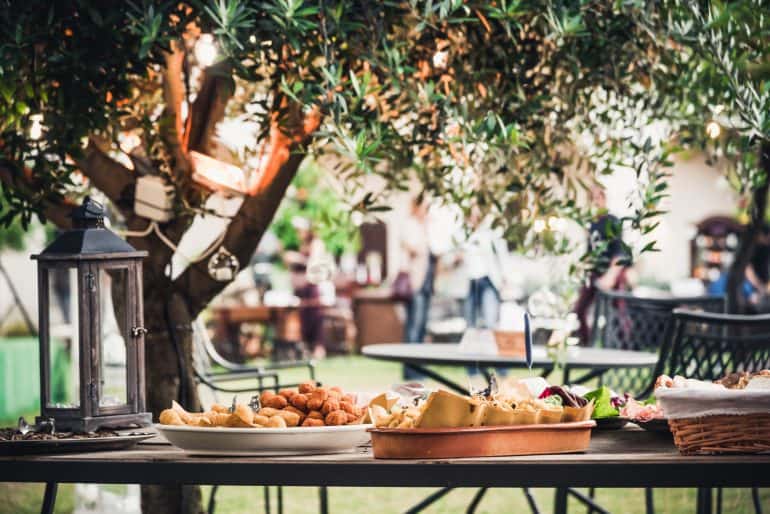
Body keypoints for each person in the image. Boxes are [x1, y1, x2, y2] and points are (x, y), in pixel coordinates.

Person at [573, 187, 632, 345]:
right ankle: (587, 345)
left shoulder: (613, 221)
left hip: (611, 272)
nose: (595, 201)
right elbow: (590, 253)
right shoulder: (590, 224)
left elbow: (619, 252)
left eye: (597, 197)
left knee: (619, 312)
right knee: (580, 309)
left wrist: (610, 276)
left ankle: (627, 347)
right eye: (591, 198)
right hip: (594, 273)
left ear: (604, 199)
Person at [398, 195, 437, 379]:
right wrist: (425, 231)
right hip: (415, 283)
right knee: (413, 327)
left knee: (421, 328)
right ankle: (411, 370)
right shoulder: (410, 225)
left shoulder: (426, 226)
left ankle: (420, 369)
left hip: (427, 284)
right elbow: (412, 247)